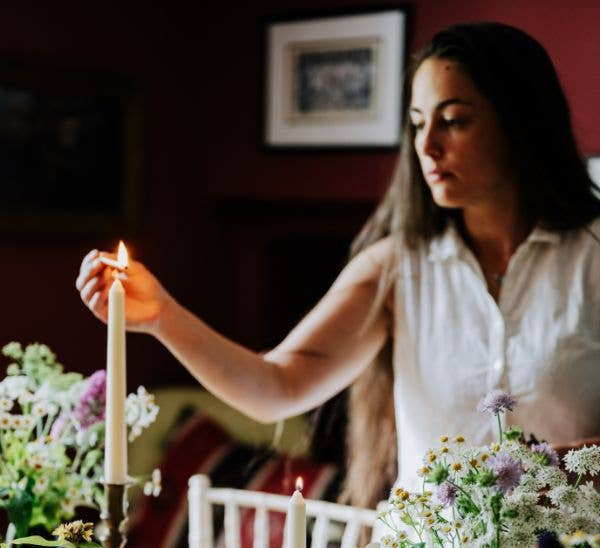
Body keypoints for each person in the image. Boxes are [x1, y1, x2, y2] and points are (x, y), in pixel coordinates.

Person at [76, 21, 600, 510]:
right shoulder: (396, 268)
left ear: (521, 122)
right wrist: (163, 316)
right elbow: (276, 388)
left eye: (454, 121)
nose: (427, 146)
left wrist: (562, 473)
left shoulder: (592, 255)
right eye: (417, 124)